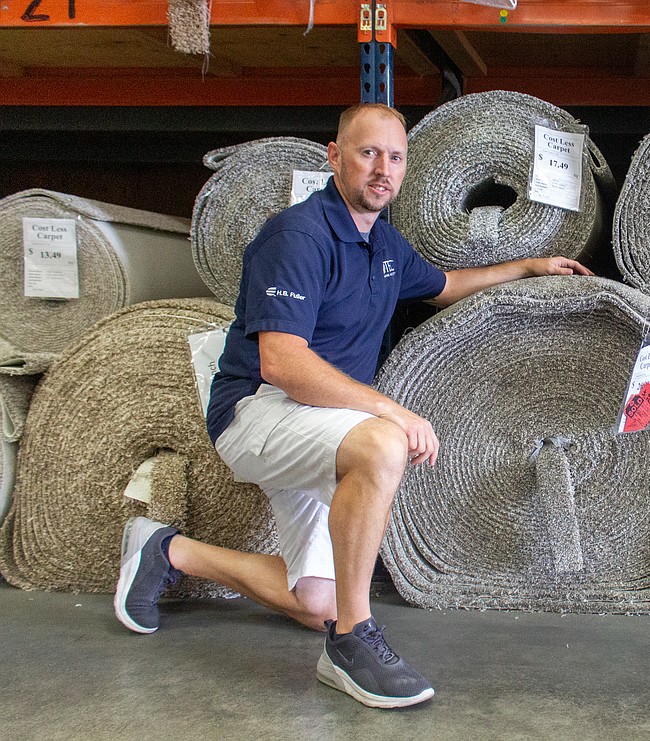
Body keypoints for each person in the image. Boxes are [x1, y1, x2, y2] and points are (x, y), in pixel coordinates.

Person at [113, 102, 593, 709]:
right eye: (367, 153)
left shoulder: (383, 242)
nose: (381, 169)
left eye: (394, 157)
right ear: (334, 157)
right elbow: (282, 364)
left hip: (320, 422)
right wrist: (393, 412)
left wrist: (527, 266)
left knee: (316, 601)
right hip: (260, 410)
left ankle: (167, 550)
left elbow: (442, 285)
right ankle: (353, 642)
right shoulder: (298, 236)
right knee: (384, 442)